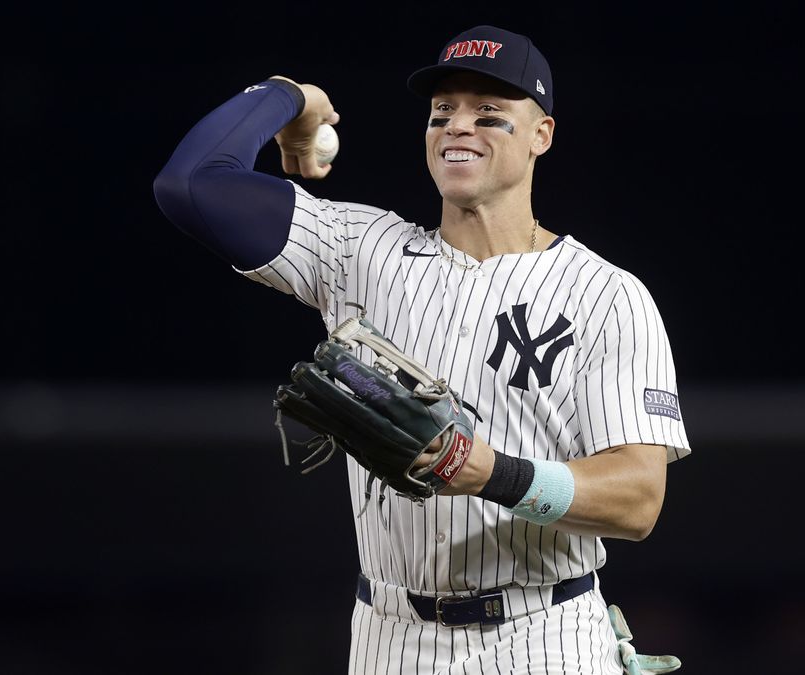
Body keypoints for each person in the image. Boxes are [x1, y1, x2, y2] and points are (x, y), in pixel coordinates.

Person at [154, 25, 691, 674]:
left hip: (544, 633)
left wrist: (490, 471)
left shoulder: (606, 295)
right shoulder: (357, 250)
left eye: (490, 114)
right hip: (389, 636)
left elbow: (637, 500)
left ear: (541, 135)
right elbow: (190, 184)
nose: (459, 126)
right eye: (443, 113)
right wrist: (288, 97)